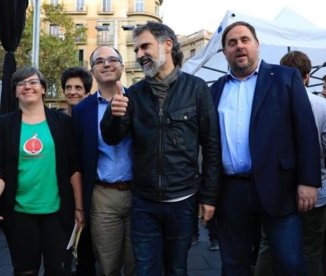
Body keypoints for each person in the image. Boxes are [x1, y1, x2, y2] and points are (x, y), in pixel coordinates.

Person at [101, 21, 221, 275]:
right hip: (144, 202)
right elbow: (112, 137)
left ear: (167, 45)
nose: (139, 54)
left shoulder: (197, 89)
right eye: (136, 50)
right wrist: (112, 114)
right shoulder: (133, 94)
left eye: (145, 46)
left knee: (177, 268)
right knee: (146, 269)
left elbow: (211, 146)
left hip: (183, 200)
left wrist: (209, 197)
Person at [210, 21, 321, 275]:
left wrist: (308, 182)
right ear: (225, 52)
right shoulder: (215, 90)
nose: (239, 46)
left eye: (245, 40)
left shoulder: (285, 77)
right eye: (232, 43)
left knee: (290, 263)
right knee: (234, 265)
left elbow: (305, 132)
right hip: (231, 191)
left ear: (257, 45)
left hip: (279, 187)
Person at [0, 66, 84, 275]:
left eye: (33, 82)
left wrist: (79, 206)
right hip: (20, 214)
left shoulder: (63, 123)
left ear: (43, 89)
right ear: (14, 92)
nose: (27, 86)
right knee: (25, 270)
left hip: (58, 214)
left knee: (58, 270)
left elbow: (73, 168)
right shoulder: (4, 124)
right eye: (21, 83)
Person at [255, 50, 326, 276]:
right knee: (311, 250)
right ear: (306, 76)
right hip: (318, 190)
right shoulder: (322, 105)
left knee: (269, 247)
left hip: (278, 189)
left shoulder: (271, 102)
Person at [72, 45, 135, 276]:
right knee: (108, 266)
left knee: (137, 263)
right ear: (92, 72)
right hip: (102, 196)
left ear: (121, 66)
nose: (106, 64)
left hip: (139, 194)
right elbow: (77, 159)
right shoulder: (82, 110)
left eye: (112, 59)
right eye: (100, 61)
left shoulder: (138, 100)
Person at [60, 66, 96, 275]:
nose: (72, 91)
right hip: (63, 192)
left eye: (78, 87)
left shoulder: (94, 119)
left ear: (87, 91)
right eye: (68, 87)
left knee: (87, 248)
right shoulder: (57, 120)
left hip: (90, 189)